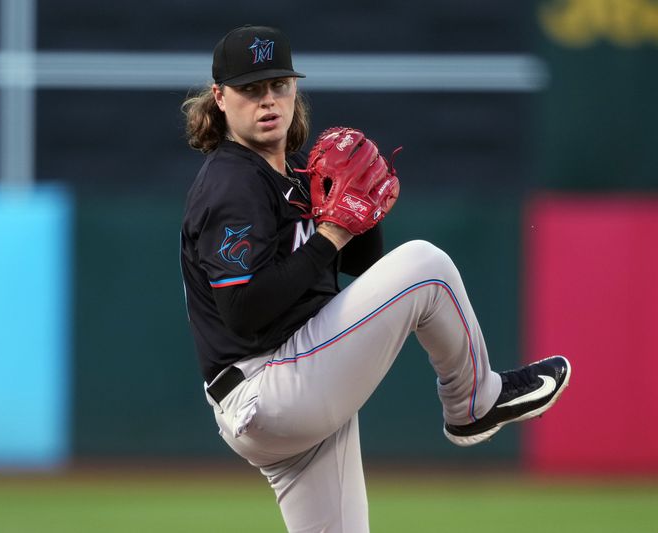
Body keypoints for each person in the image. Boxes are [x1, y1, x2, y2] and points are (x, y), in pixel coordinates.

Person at [179, 25, 571, 532]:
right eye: (251, 89)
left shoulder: (293, 170)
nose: (268, 100)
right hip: (267, 385)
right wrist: (335, 232)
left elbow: (360, 266)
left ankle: (472, 401)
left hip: (294, 382)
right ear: (220, 98)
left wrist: (361, 212)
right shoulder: (232, 182)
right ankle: (473, 401)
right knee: (426, 267)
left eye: (279, 84)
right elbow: (244, 310)